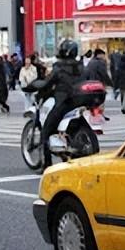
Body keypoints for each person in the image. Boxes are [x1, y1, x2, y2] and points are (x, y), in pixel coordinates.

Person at [40, 39, 84, 167]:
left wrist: (37, 87)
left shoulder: (59, 67)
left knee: (46, 131)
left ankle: (47, 163)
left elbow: (48, 82)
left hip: (64, 102)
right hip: (80, 101)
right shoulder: (80, 66)